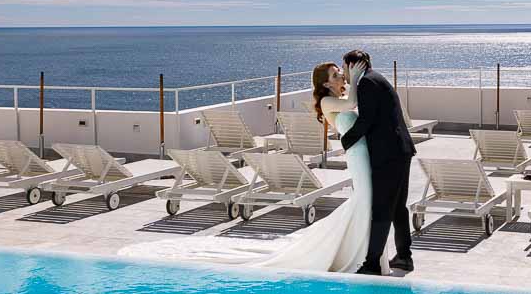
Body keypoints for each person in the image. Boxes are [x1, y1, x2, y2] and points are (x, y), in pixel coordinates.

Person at [117, 61, 379, 272]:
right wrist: (355, 79)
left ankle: (361, 248)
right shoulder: (326, 102)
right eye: (336, 75)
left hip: (361, 153)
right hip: (356, 156)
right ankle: (358, 251)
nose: (341, 77)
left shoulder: (334, 99)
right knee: (364, 200)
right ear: (324, 83)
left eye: (340, 74)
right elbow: (351, 104)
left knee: (365, 200)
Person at [338, 49, 416, 275]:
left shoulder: (367, 84)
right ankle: (404, 257)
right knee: (398, 208)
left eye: (345, 67)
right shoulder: (377, 78)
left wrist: (346, 140)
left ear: (354, 66)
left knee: (382, 208)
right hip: (400, 151)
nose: (344, 72)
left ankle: (372, 264)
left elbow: (366, 121)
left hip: (389, 155)